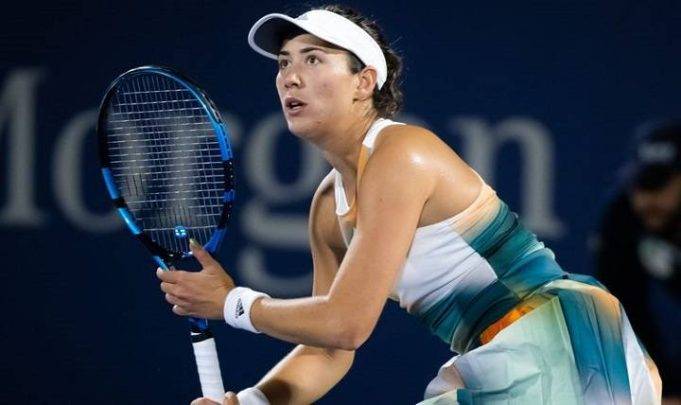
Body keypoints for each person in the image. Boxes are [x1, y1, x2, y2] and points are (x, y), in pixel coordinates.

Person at [157, 5, 662, 404]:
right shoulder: (327, 207)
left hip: (561, 340)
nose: (290, 76)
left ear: (364, 82)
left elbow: (347, 322)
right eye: (284, 62)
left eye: (313, 59)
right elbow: (328, 350)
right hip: (512, 357)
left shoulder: (402, 151)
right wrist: (252, 401)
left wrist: (233, 304)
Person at [595, 121, 681, 402]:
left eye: (659, 183)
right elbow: (622, 311)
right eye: (641, 183)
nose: (646, 198)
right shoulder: (622, 217)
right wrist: (661, 387)